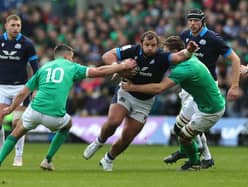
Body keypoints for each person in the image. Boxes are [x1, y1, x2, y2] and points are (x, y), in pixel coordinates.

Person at [0, 43, 137, 171]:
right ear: (65, 57)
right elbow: (99, 71)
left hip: (34, 110)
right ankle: (48, 160)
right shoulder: (72, 67)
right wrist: (122, 66)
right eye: (71, 56)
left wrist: (11, 108)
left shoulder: (43, 68)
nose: (73, 59)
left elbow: (23, 92)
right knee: (68, 124)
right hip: (54, 116)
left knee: (16, 132)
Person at [83, 31, 198, 171]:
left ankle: (108, 159)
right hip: (126, 91)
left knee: (128, 136)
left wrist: (189, 51)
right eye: (147, 45)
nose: (150, 48)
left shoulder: (162, 57)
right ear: (141, 44)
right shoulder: (133, 50)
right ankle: (99, 141)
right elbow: (107, 55)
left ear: (158, 45)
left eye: (153, 45)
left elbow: (179, 56)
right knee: (114, 121)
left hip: (145, 101)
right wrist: (118, 67)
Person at [122, 36, 226, 170]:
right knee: (177, 128)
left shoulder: (184, 68)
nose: (164, 55)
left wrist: (132, 87)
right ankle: (186, 151)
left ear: (176, 52)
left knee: (184, 136)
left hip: (211, 109)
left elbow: (159, 88)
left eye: (166, 52)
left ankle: (194, 162)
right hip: (198, 102)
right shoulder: (188, 60)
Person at [163, 8, 241, 169]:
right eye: (190, 20)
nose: (192, 24)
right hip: (188, 85)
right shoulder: (184, 36)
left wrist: (234, 85)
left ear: (203, 21)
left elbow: (234, 59)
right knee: (184, 126)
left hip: (205, 86)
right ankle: (203, 157)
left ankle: (192, 155)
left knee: (189, 126)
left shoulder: (213, 39)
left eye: (196, 21)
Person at [0, 14, 39, 167]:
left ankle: (18, 156)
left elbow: (35, 69)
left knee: (17, 123)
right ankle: (1, 149)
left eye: (18, 25)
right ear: (6, 26)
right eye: (13, 25)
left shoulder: (27, 44)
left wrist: (35, 88)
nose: (15, 28)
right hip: (3, 87)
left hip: (21, 88)